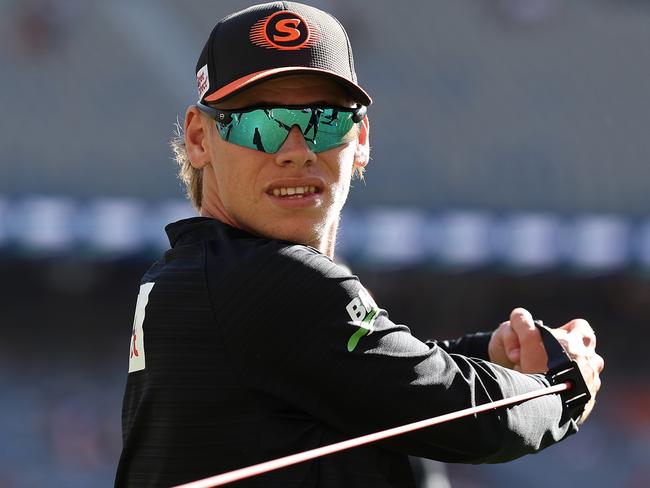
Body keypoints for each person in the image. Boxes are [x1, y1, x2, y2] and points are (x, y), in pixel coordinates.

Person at [115, 2, 603, 487]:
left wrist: (488, 358)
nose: (296, 151)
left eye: (324, 120)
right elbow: (469, 418)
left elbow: (355, 377)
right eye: (259, 123)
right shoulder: (272, 280)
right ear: (200, 138)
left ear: (361, 137)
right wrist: (565, 384)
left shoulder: (197, 272)